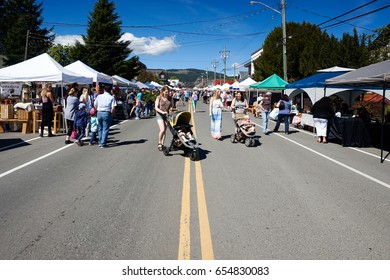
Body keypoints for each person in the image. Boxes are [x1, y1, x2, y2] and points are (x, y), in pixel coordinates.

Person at [155, 85, 173, 151]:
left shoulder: (170, 98)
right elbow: (156, 107)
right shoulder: (159, 97)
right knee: (162, 129)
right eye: (166, 92)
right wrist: (162, 112)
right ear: (162, 91)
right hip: (159, 114)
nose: (167, 93)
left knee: (165, 130)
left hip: (166, 115)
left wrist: (171, 111)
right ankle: (159, 142)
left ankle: (162, 143)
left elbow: (171, 107)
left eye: (168, 92)